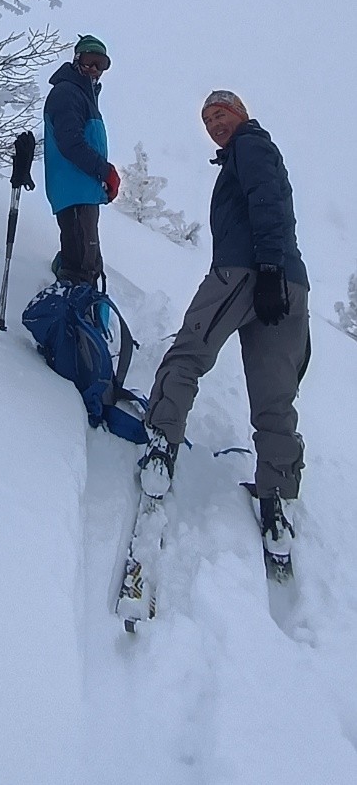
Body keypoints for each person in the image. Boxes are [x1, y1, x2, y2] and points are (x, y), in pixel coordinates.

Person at [138, 90, 310, 561]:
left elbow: (265, 199)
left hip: (246, 272)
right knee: (275, 396)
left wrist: (268, 268)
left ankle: (160, 445)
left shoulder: (251, 144)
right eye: (207, 118)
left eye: (221, 113)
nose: (214, 123)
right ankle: (276, 502)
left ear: (241, 114)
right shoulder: (255, 149)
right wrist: (279, 273)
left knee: (188, 352)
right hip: (288, 285)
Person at [43, 35, 121, 286]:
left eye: (100, 64)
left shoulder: (83, 96)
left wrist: (101, 179)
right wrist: (104, 171)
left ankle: (81, 309)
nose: (93, 69)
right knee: (82, 267)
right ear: (77, 60)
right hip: (73, 190)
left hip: (80, 190)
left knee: (86, 260)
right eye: (88, 61)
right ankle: (75, 319)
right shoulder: (68, 93)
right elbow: (71, 144)